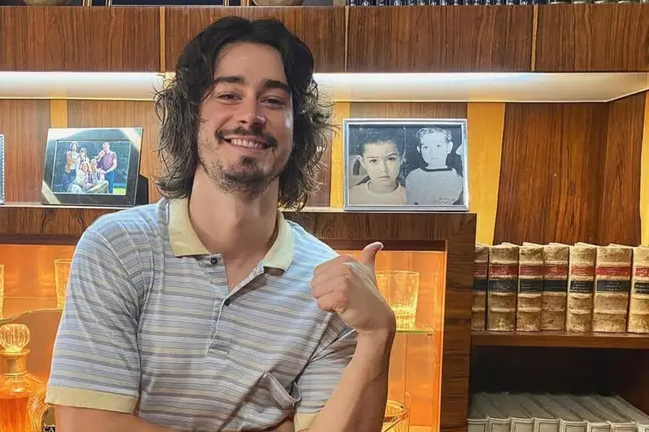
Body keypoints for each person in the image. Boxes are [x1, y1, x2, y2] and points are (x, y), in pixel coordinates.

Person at [45, 16, 396, 432]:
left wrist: (377, 335)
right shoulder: (117, 248)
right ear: (190, 115)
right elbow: (86, 424)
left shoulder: (330, 285)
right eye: (229, 95)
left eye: (273, 100)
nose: (250, 115)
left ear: (297, 128)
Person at [404, 127, 463, 206]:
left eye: (438, 146)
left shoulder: (457, 177)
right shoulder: (413, 177)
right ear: (419, 150)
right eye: (426, 147)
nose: (432, 152)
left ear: (449, 147)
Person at [347, 127, 406, 206]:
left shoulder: (411, 197)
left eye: (391, 159)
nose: (383, 169)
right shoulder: (351, 196)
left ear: (401, 158)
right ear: (362, 162)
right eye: (373, 160)